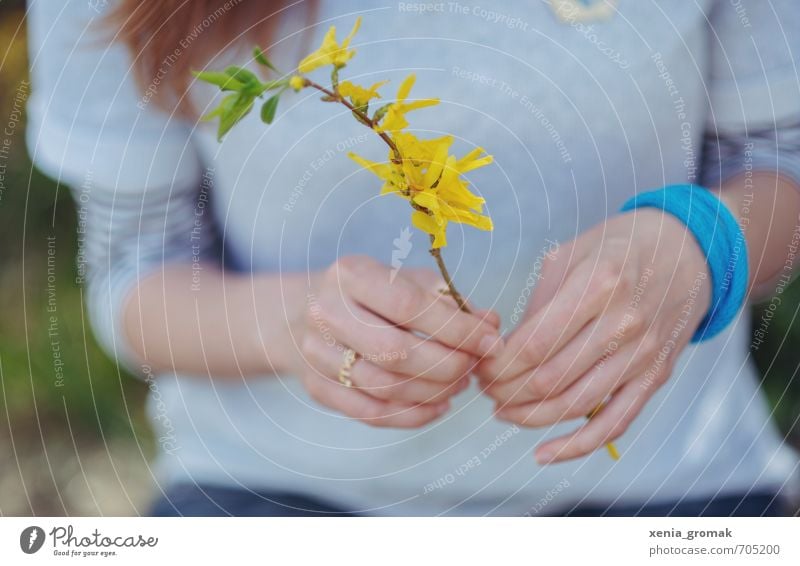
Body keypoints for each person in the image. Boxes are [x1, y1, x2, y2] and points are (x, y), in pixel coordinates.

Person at [26, 0, 800, 516]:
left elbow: (781, 160)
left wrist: (701, 244)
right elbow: (134, 261)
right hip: (268, 493)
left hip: (673, 490)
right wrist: (289, 326)